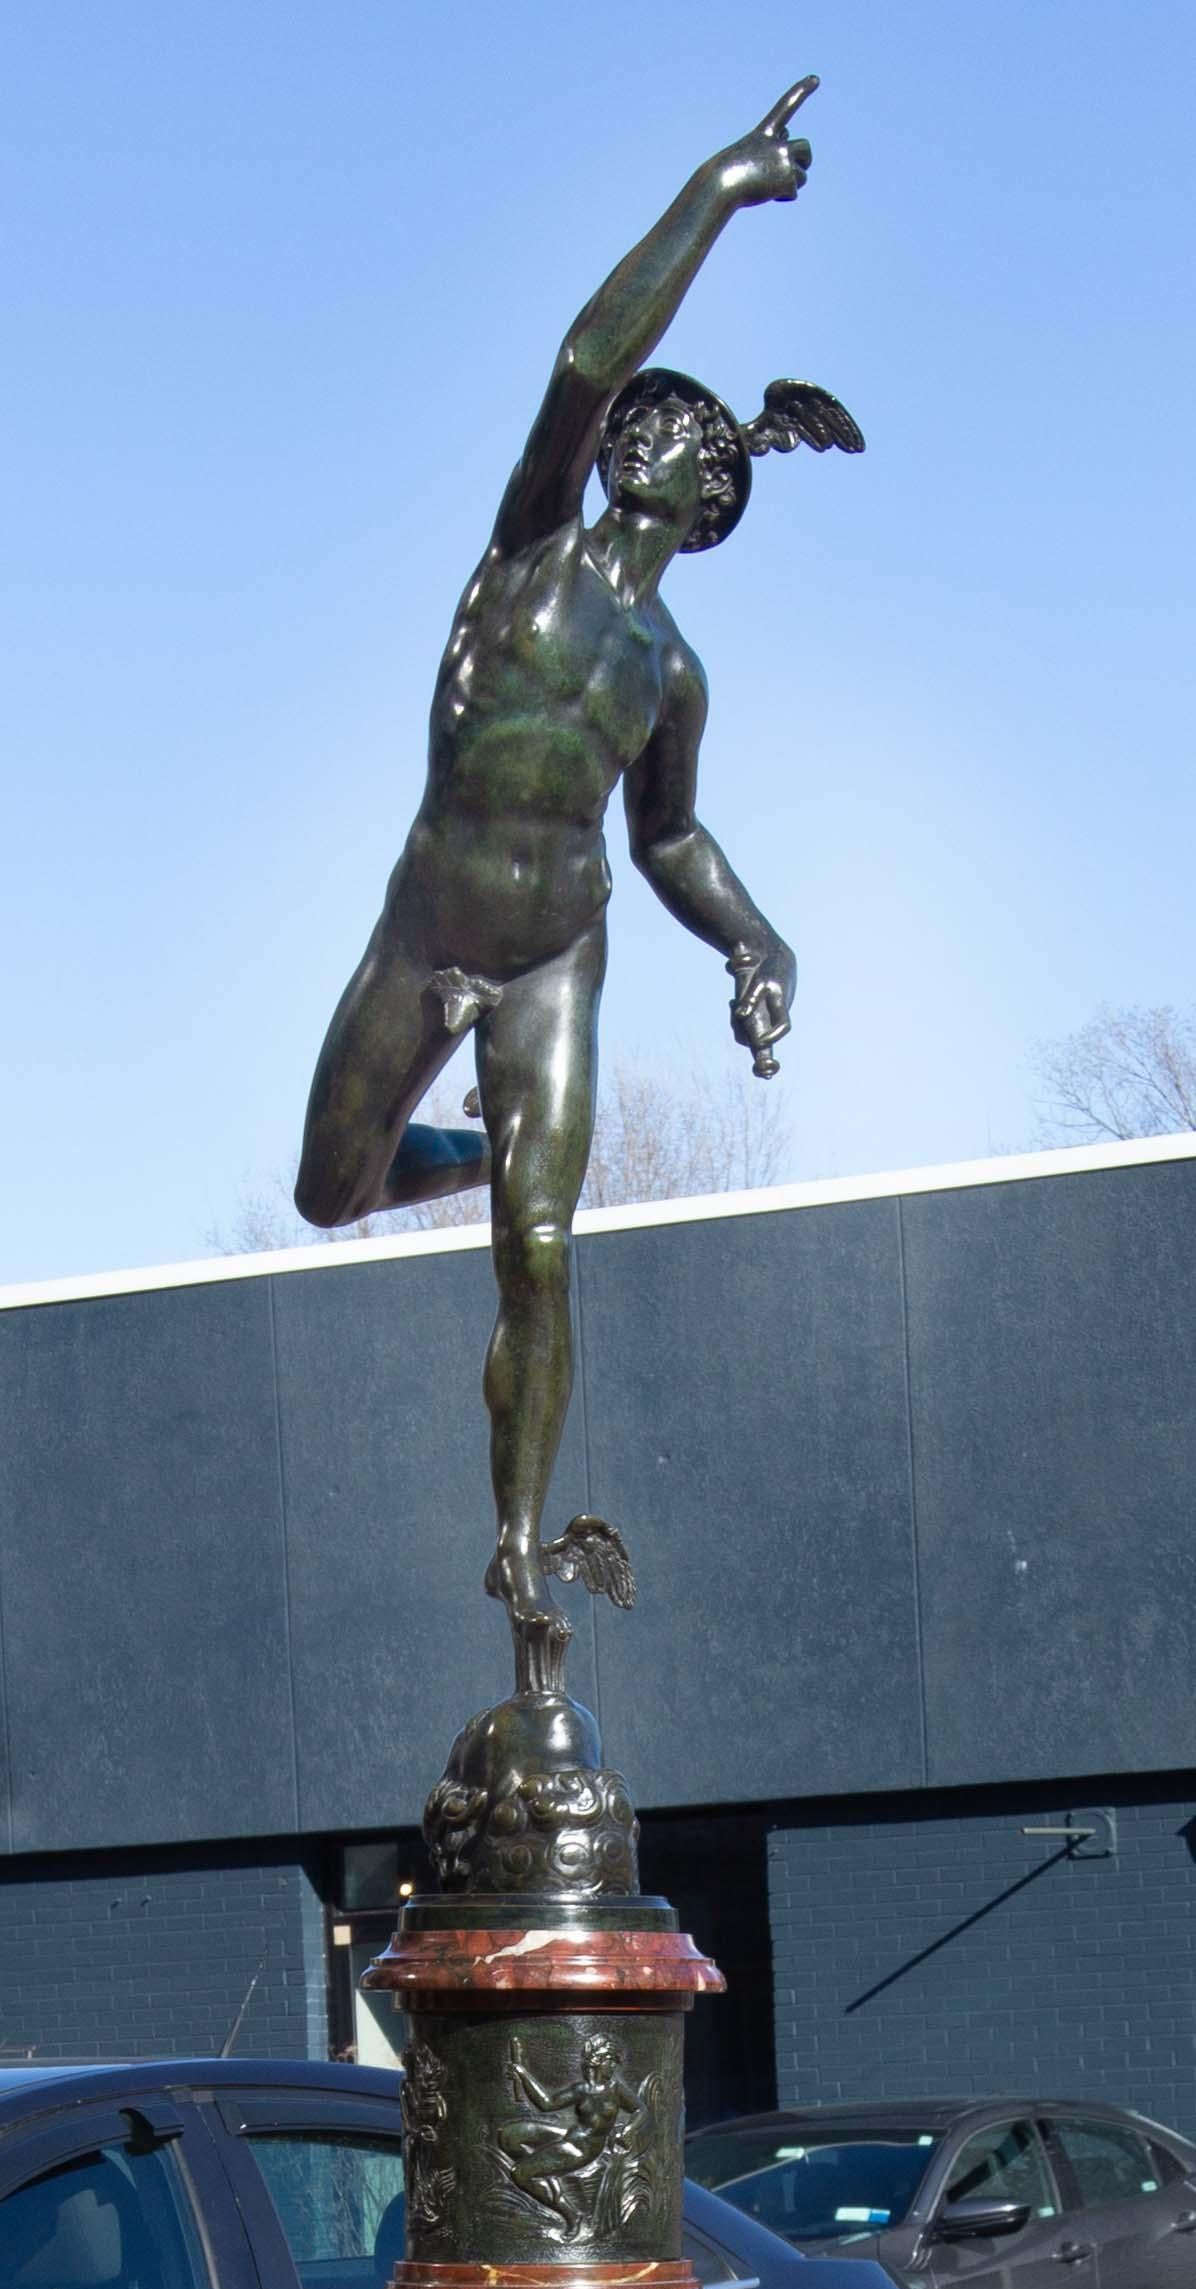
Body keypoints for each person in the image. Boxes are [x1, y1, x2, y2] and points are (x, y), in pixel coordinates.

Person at [296, 80, 861, 1652]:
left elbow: (668, 837)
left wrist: (759, 939)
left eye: (681, 440)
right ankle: (461, 1152)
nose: (650, 442)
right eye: (647, 427)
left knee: (543, 1250)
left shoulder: (670, 673)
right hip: (428, 932)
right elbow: (582, 353)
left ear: (707, 490)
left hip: (556, 954)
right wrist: (720, 188)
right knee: (330, 1186)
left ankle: (518, 1543)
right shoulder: (528, 546)